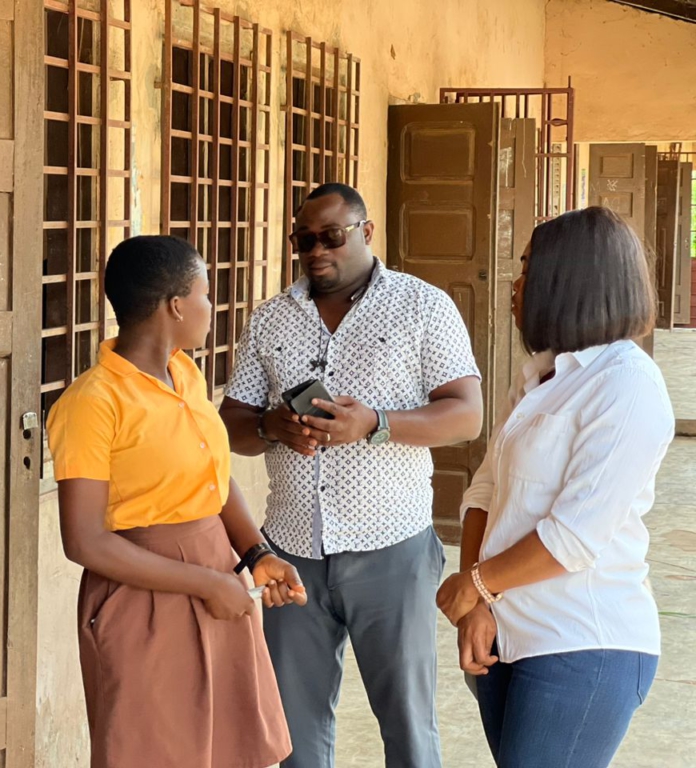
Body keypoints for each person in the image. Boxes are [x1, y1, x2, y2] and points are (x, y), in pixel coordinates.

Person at [220, 183, 484, 768]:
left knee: (408, 728)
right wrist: (272, 426)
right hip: (292, 556)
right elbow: (230, 424)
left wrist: (376, 423)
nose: (317, 251)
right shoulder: (270, 319)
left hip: (391, 550)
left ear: (366, 234)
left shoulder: (423, 305)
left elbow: (466, 414)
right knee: (293, 735)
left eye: (332, 237)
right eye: (304, 240)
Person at [47, 235, 306, 768]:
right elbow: (84, 540)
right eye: (206, 294)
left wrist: (255, 554)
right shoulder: (93, 403)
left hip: (218, 574)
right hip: (142, 596)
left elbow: (214, 477)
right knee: (156, 749)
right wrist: (208, 583)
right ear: (176, 305)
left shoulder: (184, 373)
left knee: (232, 747)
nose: (212, 308)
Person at [437, 206, 673, 768]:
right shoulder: (541, 377)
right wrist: (480, 606)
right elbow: (484, 491)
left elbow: (573, 536)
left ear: (571, 280)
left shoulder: (627, 384)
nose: (515, 286)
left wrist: (476, 584)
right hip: (506, 634)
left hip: (581, 645)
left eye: (528, 269)